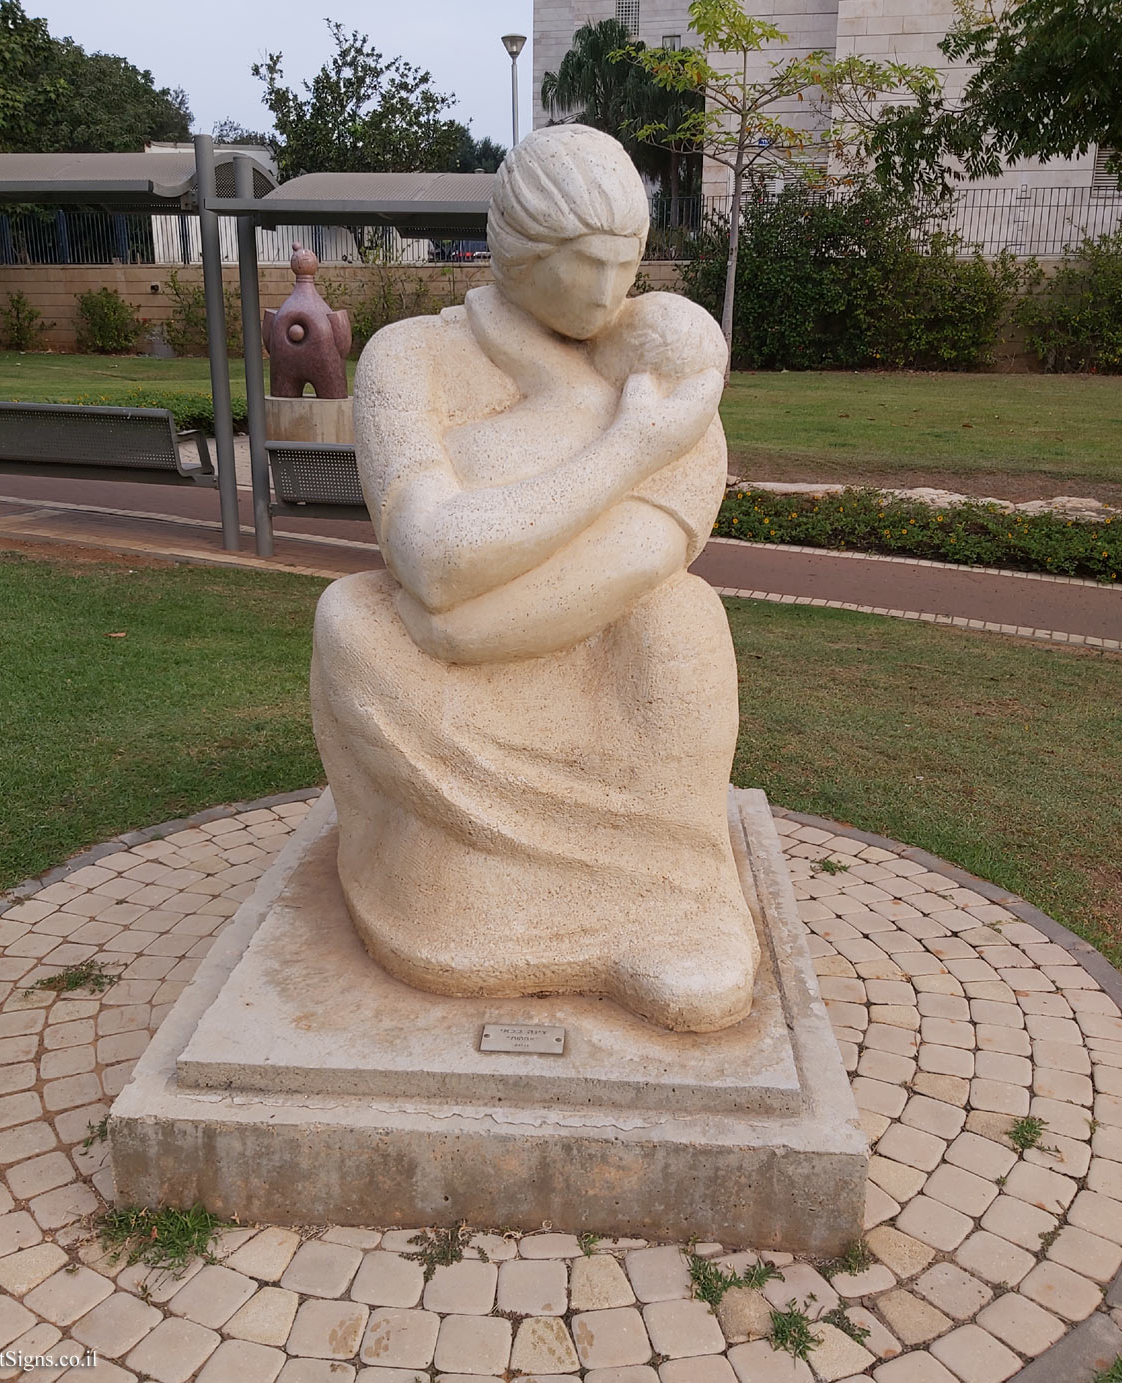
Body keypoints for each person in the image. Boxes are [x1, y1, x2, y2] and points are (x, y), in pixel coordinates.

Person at [311, 125, 759, 1033]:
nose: (609, 293)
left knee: (684, 618)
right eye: (583, 265)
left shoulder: (666, 370)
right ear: (518, 252)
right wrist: (624, 444)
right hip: (442, 687)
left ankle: (674, 888)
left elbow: (624, 568)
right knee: (350, 620)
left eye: (626, 264)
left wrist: (463, 625)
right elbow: (429, 557)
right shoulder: (411, 358)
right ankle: (463, 874)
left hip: (558, 658)